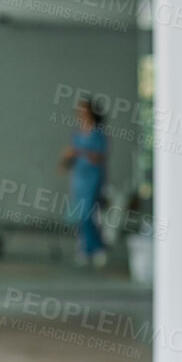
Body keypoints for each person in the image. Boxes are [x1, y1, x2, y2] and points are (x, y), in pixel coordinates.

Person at [59, 97, 109, 268]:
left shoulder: (97, 133)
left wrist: (79, 152)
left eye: (84, 111)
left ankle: (98, 247)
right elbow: (72, 157)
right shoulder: (76, 133)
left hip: (92, 178)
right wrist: (65, 162)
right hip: (78, 178)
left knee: (88, 213)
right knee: (79, 214)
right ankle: (85, 248)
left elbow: (99, 157)